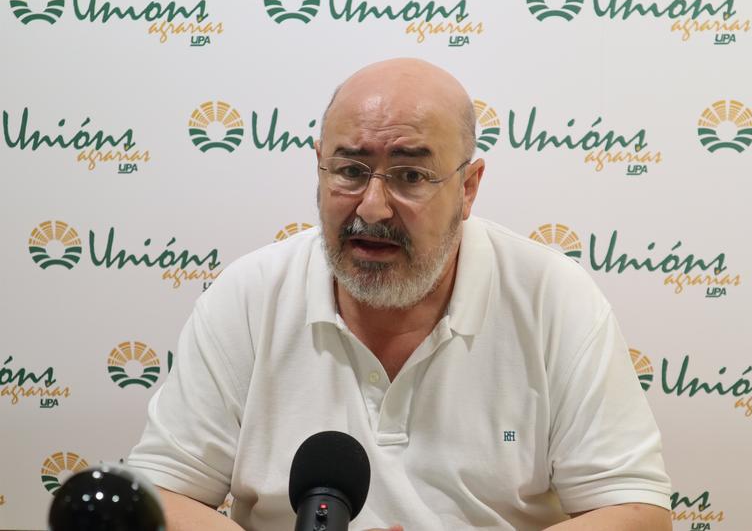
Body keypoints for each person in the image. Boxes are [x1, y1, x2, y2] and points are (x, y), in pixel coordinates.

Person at [127, 58, 672, 530]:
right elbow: (159, 497)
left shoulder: (554, 298)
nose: (372, 207)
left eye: (410, 175)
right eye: (350, 170)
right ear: (319, 167)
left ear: (468, 187)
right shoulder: (250, 295)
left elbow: (636, 513)